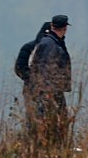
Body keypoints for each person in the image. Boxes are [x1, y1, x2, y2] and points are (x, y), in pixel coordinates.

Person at [29, 14, 72, 146]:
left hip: (52, 91)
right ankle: (51, 149)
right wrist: (48, 92)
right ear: (65, 28)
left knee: (58, 122)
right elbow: (45, 69)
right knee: (52, 122)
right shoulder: (50, 44)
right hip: (50, 92)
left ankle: (54, 147)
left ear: (52, 26)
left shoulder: (51, 42)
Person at [14, 21, 51, 136]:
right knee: (35, 118)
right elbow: (20, 68)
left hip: (42, 91)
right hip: (33, 90)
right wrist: (35, 81)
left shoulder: (53, 48)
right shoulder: (30, 48)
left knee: (44, 119)